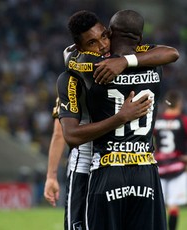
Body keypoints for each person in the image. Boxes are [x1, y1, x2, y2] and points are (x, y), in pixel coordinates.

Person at [46, 10, 179, 230]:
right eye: (92, 42)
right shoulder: (80, 73)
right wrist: (51, 175)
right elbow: (61, 131)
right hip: (96, 163)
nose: (102, 45)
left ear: (111, 32)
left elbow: (171, 53)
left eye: (104, 36)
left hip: (106, 166)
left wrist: (123, 61)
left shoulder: (81, 71)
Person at [154, 90, 187, 230]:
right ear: (179, 103)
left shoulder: (157, 121)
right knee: (173, 205)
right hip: (177, 167)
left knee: (158, 204)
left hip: (159, 166)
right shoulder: (183, 120)